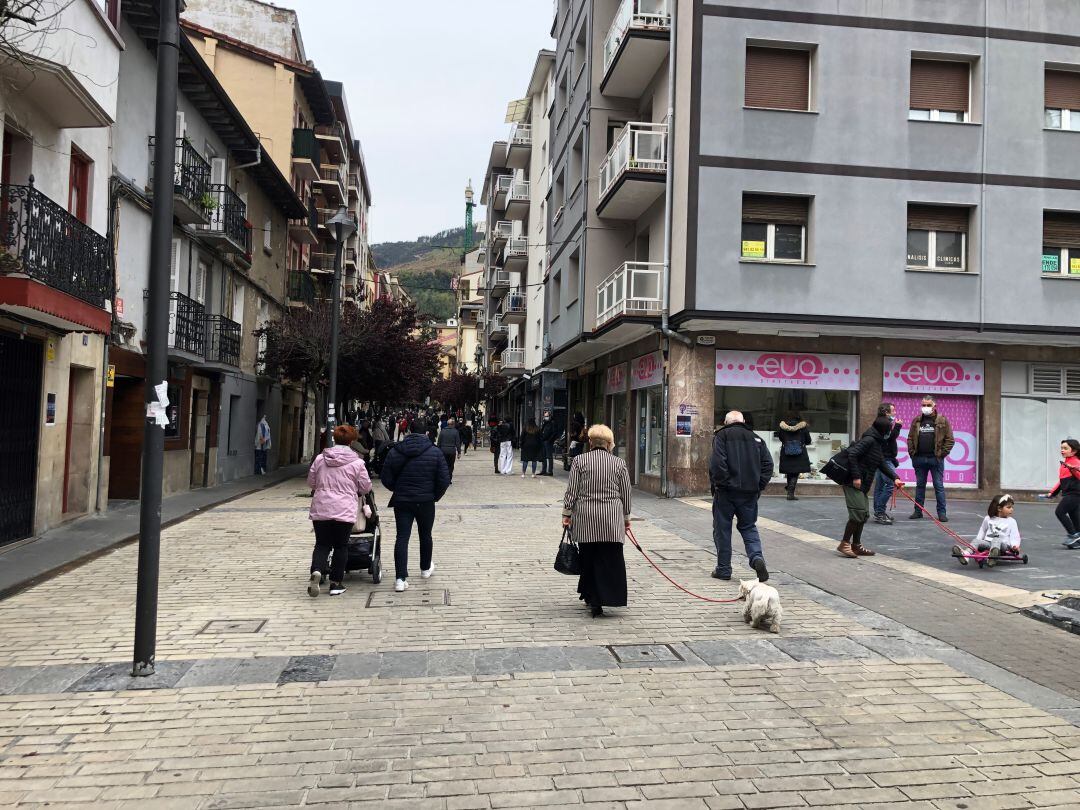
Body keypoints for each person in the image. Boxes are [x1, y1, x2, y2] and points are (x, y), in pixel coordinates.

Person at [561, 424, 632, 617]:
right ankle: (607, 596)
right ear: (609, 444)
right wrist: (626, 518)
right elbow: (626, 493)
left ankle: (591, 597)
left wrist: (566, 514)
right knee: (610, 559)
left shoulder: (579, 461)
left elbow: (572, 491)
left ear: (591, 442)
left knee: (588, 558)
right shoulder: (619, 463)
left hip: (585, 519)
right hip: (611, 519)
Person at [380, 418, 451, 593]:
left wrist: (397, 488)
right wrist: (435, 496)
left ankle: (400, 578)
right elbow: (444, 479)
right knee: (425, 534)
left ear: (408, 431)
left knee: (402, 537)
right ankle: (425, 568)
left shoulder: (396, 451)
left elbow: (386, 477)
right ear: (426, 432)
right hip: (426, 500)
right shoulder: (435, 452)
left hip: (402, 500)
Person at [306, 424, 372, 598]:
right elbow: (365, 487)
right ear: (351, 441)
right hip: (344, 510)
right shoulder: (357, 463)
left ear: (334, 439)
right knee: (341, 546)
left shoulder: (320, 458)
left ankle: (317, 571)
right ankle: (336, 583)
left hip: (321, 508)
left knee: (322, 544)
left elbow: (311, 482)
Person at [709, 411, 772, 582]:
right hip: (749, 494)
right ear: (743, 421)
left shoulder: (722, 436)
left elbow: (717, 463)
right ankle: (756, 558)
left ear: (726, 422)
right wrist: (758, 486)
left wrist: (722, 484)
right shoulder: (756, 439)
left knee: (722, 529)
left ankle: (723, 569)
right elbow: (768, 465)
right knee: (748, 527)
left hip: (726, 493)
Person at [839, 416, 905, 558]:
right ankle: (844, 544)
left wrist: (895, 478)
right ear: (883, 430)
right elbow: (852, 455)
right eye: (889, 429)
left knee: (863, 515)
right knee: (857, 514)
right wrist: (856, 476)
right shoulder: (869, 440)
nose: (890, 432)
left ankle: (856, 545)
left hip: (863, 484)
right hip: (853, 482)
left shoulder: (877, 442)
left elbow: (881, 463)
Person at [907, 395, 955, 522]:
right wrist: (912, 453)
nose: (926, 407)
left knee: (938, 486)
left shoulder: (942, 420)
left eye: (928, 405)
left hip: (935, 459)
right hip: (920, 458)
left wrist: (941, 455)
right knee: (920, 486)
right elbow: (910, 438)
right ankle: (918, 511)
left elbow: (950, 440)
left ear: (935, 406)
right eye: (923, 405)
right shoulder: (916, 420)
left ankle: (942, 513)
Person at [968, 494, 1022, 565]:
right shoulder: (988, 518)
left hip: (1004, 545)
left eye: (1012, 507)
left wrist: (1015, 546)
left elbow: (1015, 535)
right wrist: (979, 540)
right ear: (999, 508)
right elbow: (983, 530)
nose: (1012, 509)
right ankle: (966, 554)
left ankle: (993, 558)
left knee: (996, 539)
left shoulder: (1012, 521)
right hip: (989, 543)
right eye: (1009, 507)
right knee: (976, 541)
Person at [872, 403, 903, 524]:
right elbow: (889, 438)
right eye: (893, 410)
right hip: (885, 459)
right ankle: (880, 512)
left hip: (882, 458)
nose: (895, 412)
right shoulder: (884, 423)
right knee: (890, 484)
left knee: (879, 486)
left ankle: (878, 512)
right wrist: (898, 426)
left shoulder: (880, 422)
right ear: (886, 412)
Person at [1047, 438, 1080, 547]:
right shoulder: (1065, 464)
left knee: (1059, 512)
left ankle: (1073, 535)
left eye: (1065, 448)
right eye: (1061, 448)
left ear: (1074, 451)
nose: (1062, 450)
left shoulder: (1076, 463)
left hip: (1075, 494)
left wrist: (1073, 469)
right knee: (1074, 516)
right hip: (1069, 493)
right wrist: (1052, 493)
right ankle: (1078, 539)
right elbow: (1061, 482)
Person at [774, 411, 811, 500]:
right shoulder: (803, 427)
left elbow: (781, 438)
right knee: (795, 472)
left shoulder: (783, 427)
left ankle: (790, 489)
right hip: (800, 453)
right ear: (799, 417)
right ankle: (790, 493)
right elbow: (808, 440)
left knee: (790, 471)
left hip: (786, 452)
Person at [436, 417, 461, 482]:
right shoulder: (455, 431)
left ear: (447, 424)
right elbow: (458, 443)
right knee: (451, 465)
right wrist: (459, 452)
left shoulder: (443, 431)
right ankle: (449, 479)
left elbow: (439, 442)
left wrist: (437, 451)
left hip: (443, 450)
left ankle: (444, 478)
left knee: (444, 465)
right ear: (453, 424)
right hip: (452, 451)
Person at [540, 411, 557, 476]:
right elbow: (542, 430)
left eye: (546, 416)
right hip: (543, 440)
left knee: (549, 456)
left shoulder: (552, 423)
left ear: (550, 416)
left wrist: (550, 440)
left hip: (548, 441)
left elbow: (554, 432)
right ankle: (543, 470)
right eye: (545, 416)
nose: (545, 417)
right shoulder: (545, 422)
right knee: (543, 455)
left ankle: (550, 471)